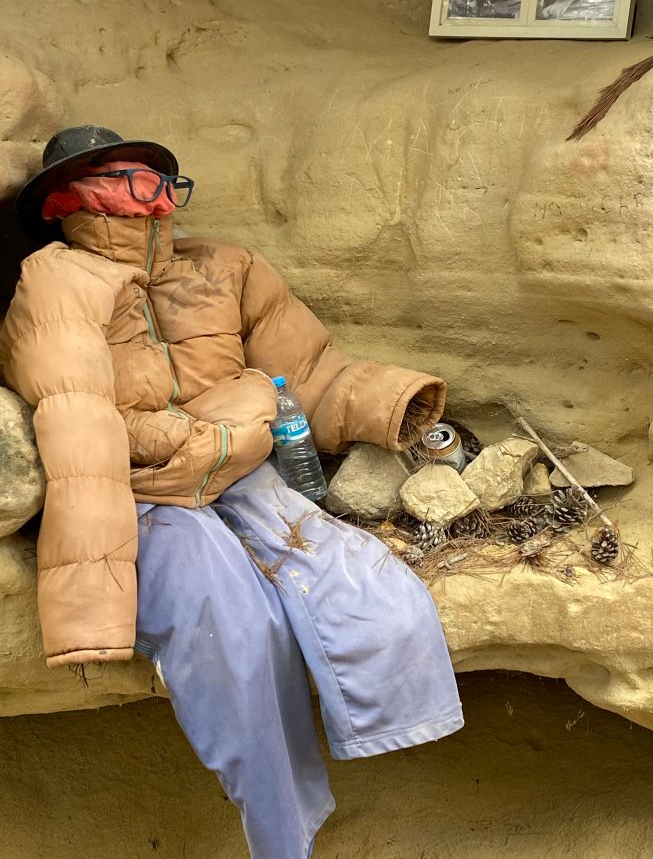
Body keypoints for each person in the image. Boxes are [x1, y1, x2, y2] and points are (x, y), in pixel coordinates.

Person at [0, 126, 464, 859]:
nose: (150, 201)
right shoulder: (53, 283)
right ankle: (283, 831)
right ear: (69, 200)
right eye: (124, 184)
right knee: (232, 625)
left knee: (352, 575)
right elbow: (81, 431)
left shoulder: (225, 268)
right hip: (147, 494)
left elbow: (305, 372)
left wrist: (395, 402)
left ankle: (380, 725)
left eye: (157, 184)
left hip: (245, 467)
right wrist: (87, 612)